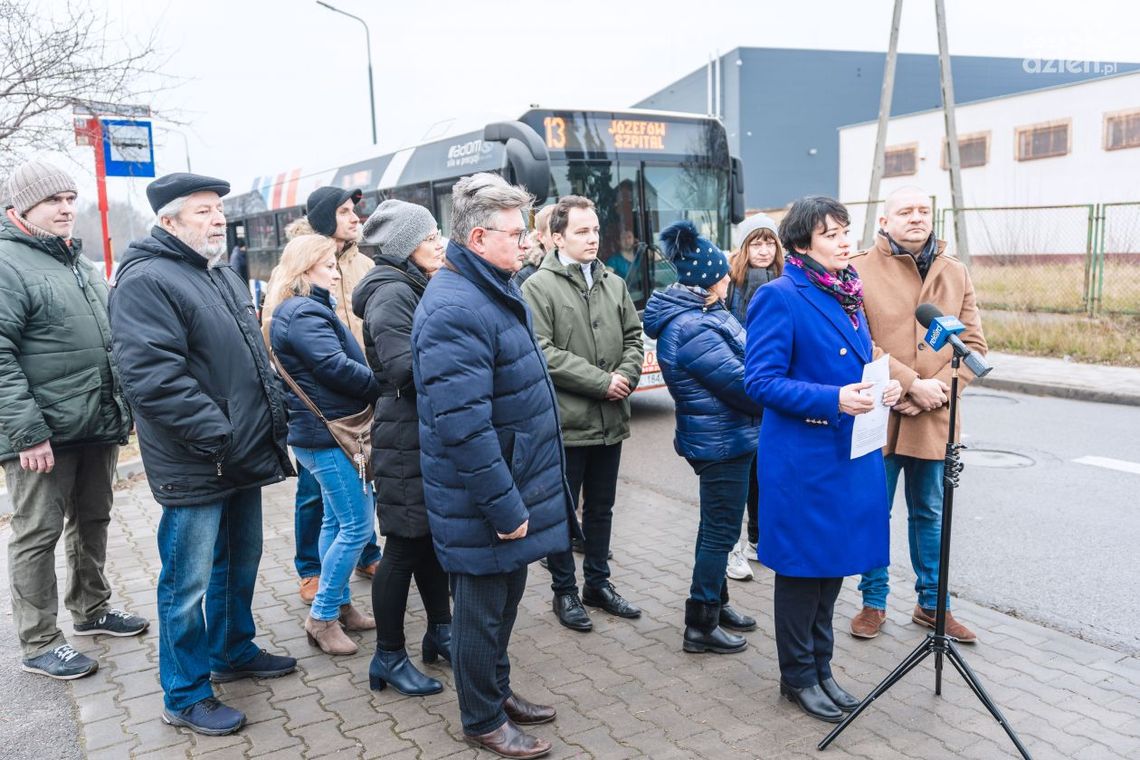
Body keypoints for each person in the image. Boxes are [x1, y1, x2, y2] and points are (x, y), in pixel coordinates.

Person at [110, 173, 297, 736]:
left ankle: (231, 649)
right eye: (202, 211)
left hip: (237, 451)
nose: (218, 219)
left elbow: (251, 358)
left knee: (239, 560)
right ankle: (185, 693)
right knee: (186, 583)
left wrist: (267, 416)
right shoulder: (146, 280)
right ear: (168, 221)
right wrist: (218, 434)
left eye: (218, 209)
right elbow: (151, 377)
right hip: (198, 458)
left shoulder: (218, 273)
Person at [413, 172, 576, 759]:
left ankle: (497, 692)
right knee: (480, 613)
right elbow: (464, 428)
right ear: (479, 238)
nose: (527, 243)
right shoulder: (455, 306)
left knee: (504, 603)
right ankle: (481, 718)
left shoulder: (490, 287)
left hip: (511, 482)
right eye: (516, 234)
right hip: (485, 498)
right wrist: (505, 508)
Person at [744, 196, 902, 723]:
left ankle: (822, 667)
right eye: (830, 234)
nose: (843, 241)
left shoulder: (847, 291)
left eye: (844, 230)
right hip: (803, 461)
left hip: (844, 455)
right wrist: (832, 399)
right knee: (801, 571)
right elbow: (760, 381)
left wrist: (883, 387)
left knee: (831, 566)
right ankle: (797, 677)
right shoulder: (779, 296)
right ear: (801, 245)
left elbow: (857, 364)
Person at [0, 160, 145, 681]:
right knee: (36, 534)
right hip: (42, 435)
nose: (65, 208)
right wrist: (28, 433)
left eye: (69, 198)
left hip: (94, 423)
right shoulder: (7, 263)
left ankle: (92, 609)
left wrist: (122, 408)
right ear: (21, 209)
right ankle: (39, 641)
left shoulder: (78, 261)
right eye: (53, 200)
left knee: (93, 519)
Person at [850, 186, 987, 644]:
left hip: (935, 416)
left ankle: (933, 605)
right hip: (882, 409)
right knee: (874, 510)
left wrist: (937, 393)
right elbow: (858, 343)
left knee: (930, 512)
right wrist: (911, 384)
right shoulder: (859, 269)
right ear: (884, 221)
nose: (916, 217)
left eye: (923, 210)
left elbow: (975, 348)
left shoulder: (955, 271)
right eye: (905, 211)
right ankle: (873, 601)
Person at [521, 195, 644, 633]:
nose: (593, 238)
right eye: (581, 231)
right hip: (567, 424)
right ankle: (564, 591)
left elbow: (634, 337)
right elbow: (542, 350)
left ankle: (597, 583)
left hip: (610, 421)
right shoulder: (537, 287)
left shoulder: (614, 283)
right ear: (557, 238)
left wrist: (626, 374)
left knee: (602, 508)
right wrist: (600, 382)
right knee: (561, 511)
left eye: (595, 230)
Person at [642, 220, 763, 656]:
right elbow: (746, 386)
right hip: (721, 442)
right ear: (709, 281)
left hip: (726, 436)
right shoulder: (694, 326)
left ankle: (717, 602)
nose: (730, 280)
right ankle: (701, 624)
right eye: (725, 275)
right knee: (719, 532)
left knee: (717, 527)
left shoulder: (704, 315)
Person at [261, 186, 382, 603]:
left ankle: (362, 561)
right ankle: (314, 573)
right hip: (325, 410)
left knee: (351, 498)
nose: (354, 218)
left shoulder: (363, 264)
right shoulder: (297, 283)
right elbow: (286, 343)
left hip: (354, 403)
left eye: (355, 211)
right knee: (320, 499)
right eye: (344, 211)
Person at [351, 200, 451, 695]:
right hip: (403, 432)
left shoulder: (411, 284)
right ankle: (388, 656)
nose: (439, 243)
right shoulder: (392, 292)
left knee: (426, 537)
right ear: (403, 246)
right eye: (429, 236)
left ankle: (441, 632)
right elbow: (404, 369)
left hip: (415, 428)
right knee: (404, 546)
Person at [724, 213, 785, 583]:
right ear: (744, 247)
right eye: (756, 243)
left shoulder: (784, 278)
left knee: (765, 472)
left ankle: (758, 540)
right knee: (742, 473)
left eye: (769, 242)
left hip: (772, 390)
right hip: (739, 387)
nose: (763, 250)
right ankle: (734, 547)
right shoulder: (731, 282)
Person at [515, 203, 553, 285]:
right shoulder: (527, 275)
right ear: (541, 237)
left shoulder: (580, 265)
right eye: (556, 230)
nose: (563, 235)